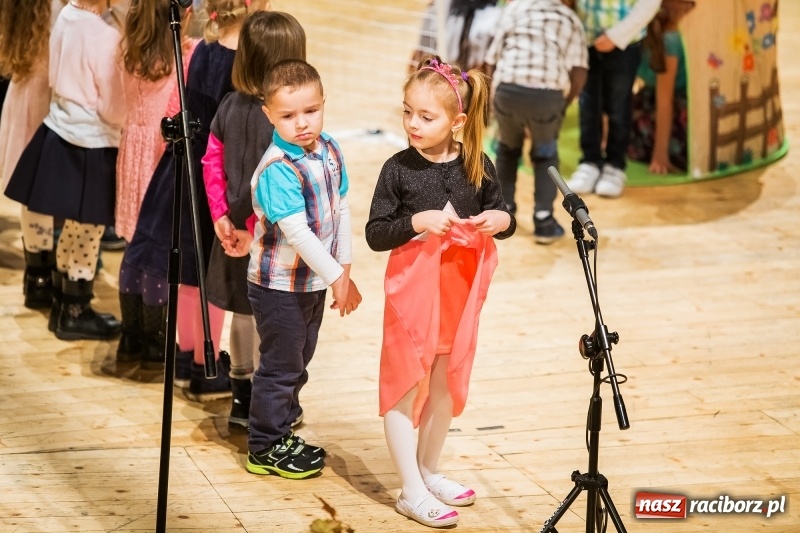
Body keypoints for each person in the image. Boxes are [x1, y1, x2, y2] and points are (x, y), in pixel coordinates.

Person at [365, 56, 516, 528]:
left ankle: (427, 470)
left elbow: (502, 212)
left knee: (444, 382)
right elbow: (375, 233)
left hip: (458, 294)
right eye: (407, 112)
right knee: (404, 384)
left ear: (457, 121)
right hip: (412, 295)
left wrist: (501, 220)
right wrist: (416, 222)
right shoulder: (397, 169)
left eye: (426, 116)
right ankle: (410, 491)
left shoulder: (477, 164)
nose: (413, 123)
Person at [123, 0, 269, 391]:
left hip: (185, 163)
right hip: (216, 176)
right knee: (208, 273)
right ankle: (207, 367)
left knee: (190, 273)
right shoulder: (246, 58)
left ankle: (188, 357)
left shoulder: (204, 47)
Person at [239, 59, 361, 479]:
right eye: (289, 115)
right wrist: (337, 278)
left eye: (311, 110)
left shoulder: (329, 149)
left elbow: (341, 208)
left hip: (312, 282)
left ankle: (284, 427)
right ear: (268, 114)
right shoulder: (278, 168)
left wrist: (344, 269)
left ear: (324, 103)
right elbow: (298, 234)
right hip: (278, 286)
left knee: (299, 358)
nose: (303, 123)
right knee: (280, 365)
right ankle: (264, 445)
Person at [200, 11, 307, 428]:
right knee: (272, 320)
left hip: (232, 232)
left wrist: (220, 216)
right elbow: (275, 186)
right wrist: (248, 229)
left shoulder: (229, 104)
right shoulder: (283, 122)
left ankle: (241, 398)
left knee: (242, 313)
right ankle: (270, 404)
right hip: (269, 239)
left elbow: (211, 161)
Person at [4, 0, 125, 340]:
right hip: (93, 141)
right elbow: (113, 106)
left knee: (73, 227)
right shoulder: (104, 34)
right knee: (87, 231)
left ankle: (61, 301)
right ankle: (75, 309)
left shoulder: (68, 15)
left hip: (61, 129)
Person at [114, 0, 199, 367]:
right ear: (185, 15)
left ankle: (129, 336)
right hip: (159, 159)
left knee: (134, 248)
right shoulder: (186, 56)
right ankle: (154, 341)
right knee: (159, 257)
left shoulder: (129, 49)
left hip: (132, 153)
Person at [484, 0, 588, 244]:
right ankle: (544, 220)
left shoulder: (514, 8)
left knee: (507, 150)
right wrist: (562, 104)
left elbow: (491, 59)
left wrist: (493, 100)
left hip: (508, 90)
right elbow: (579, 71)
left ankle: (504, 212)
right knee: (545, 155)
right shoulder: (569, 18)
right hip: (547, 95)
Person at [0, 0, 66, 309]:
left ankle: (37, 275)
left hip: (23, 92)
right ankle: (44, 273)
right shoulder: (57, 7)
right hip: (46, 98)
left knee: (33, 194)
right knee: (41, 191)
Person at [566, 0, 660, 198]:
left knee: (618, 106)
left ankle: (615, 165)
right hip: (586, 38)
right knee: (588, 105)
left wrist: (617, 35)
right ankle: (589, 161)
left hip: (624, 42)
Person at [628, 0, 695, 174]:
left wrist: (660, 154)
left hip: (679, 101)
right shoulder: (633, 36)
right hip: (652, 97)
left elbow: (665, 100)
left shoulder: (669, 40)